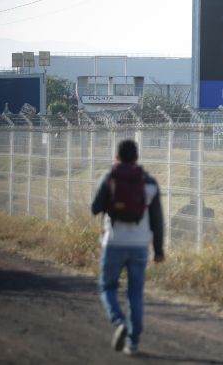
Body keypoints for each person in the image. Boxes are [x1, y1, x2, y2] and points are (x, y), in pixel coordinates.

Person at [91, 139, 164, 356]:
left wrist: (110, 202)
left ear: (117, 157)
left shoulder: (109, 178)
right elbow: (157, 221)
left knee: (107, 287)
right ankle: (133, 342)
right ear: (137, 158)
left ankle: (119, 321)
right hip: (140, 246)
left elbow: (95, 208)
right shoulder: (149, 183)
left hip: (113, 242)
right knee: (135, 294)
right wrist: (158, 250)